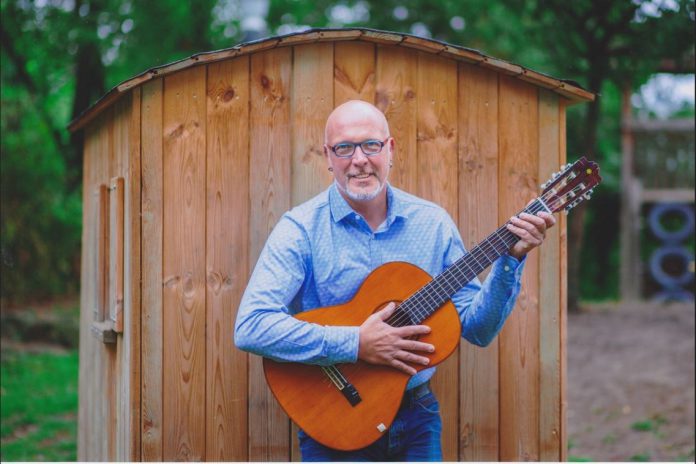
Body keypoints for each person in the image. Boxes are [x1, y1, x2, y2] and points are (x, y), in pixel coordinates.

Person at [235, 100, 555, 461]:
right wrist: (357, 342)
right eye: (344, 147)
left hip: (416, 420)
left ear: (391, 149)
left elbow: (478, 329)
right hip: (333, 417)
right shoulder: (301, 229)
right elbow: (251, 326)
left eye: (371, 144)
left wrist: (511, 259)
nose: (359, 159)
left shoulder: (432, 224)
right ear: (328, 156)